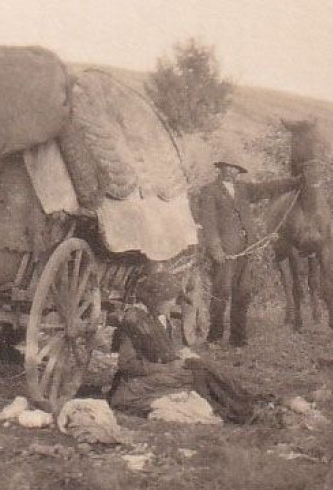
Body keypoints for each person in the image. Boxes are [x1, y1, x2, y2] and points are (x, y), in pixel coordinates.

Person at [107, 275, 274, 425]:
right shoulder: (134, 322)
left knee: (202, 367)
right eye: (170, 299)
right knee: (195, 375)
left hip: (156, 374)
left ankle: (243, 402)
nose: (174, 304)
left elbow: (164, 349)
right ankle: (233, 410)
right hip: (133, 384)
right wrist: (166, 367)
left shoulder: (156, 319)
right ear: (155, 299)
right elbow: (127, 365)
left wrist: (181, 354)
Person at [194, 158, 303, 347]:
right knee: (221, 292)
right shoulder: (209, 191)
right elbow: (208, 223)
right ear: (221, 168)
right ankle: (214, 337)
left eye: (235, 168)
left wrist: (295, 182)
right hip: (225, 251)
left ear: (239, 172)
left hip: (246, 249)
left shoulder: (244, 189)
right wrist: (215, 249)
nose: (231, 171)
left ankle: (238, 339)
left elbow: (267, 188)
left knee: (243, 293)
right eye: (228, 167)